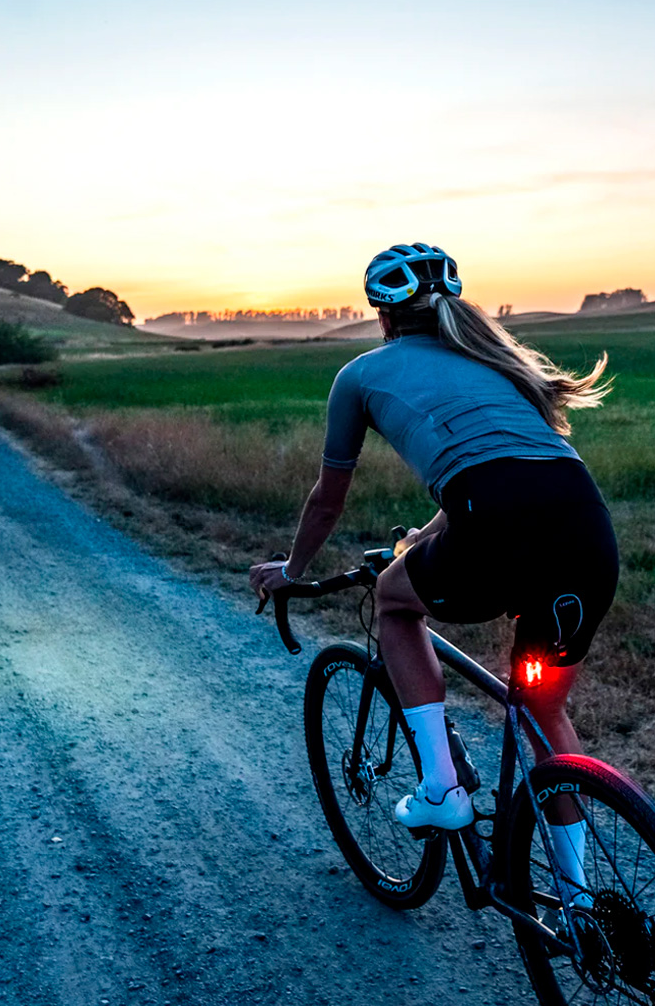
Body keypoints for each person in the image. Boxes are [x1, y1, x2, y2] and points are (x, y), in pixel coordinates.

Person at [249, 243, 618, 872]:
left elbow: (327, 501)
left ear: (382, 314)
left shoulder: (361, 375)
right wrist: (422, 538)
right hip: (587, 532)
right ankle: (580, 899)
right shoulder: (495, 364)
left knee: (394, 600)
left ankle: (442, 791)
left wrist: (292, 570)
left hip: (490, 525)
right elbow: (501, 477)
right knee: (542, 710)